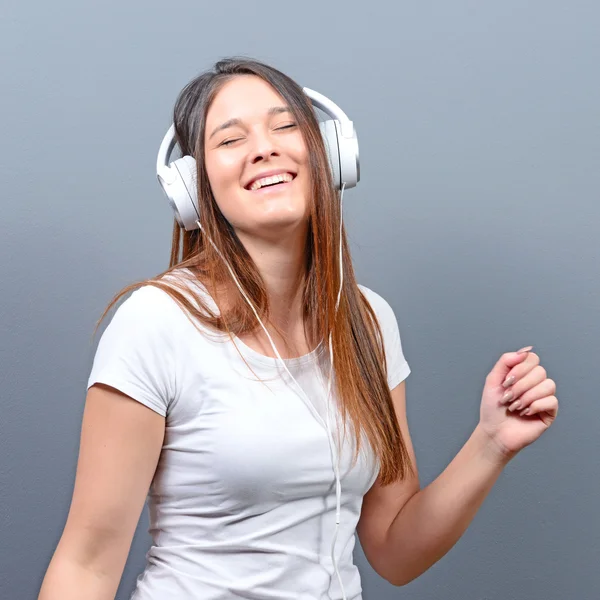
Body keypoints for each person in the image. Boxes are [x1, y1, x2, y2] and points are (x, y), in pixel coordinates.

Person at [38, 58, 559, 600]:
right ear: (194, 190)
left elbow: (395, 549)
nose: (265, 147)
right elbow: (87, 565)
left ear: (328, 156)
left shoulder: (367, 322)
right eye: (230, 139)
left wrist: (491, 442)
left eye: (286, 126)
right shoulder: (156, 321)